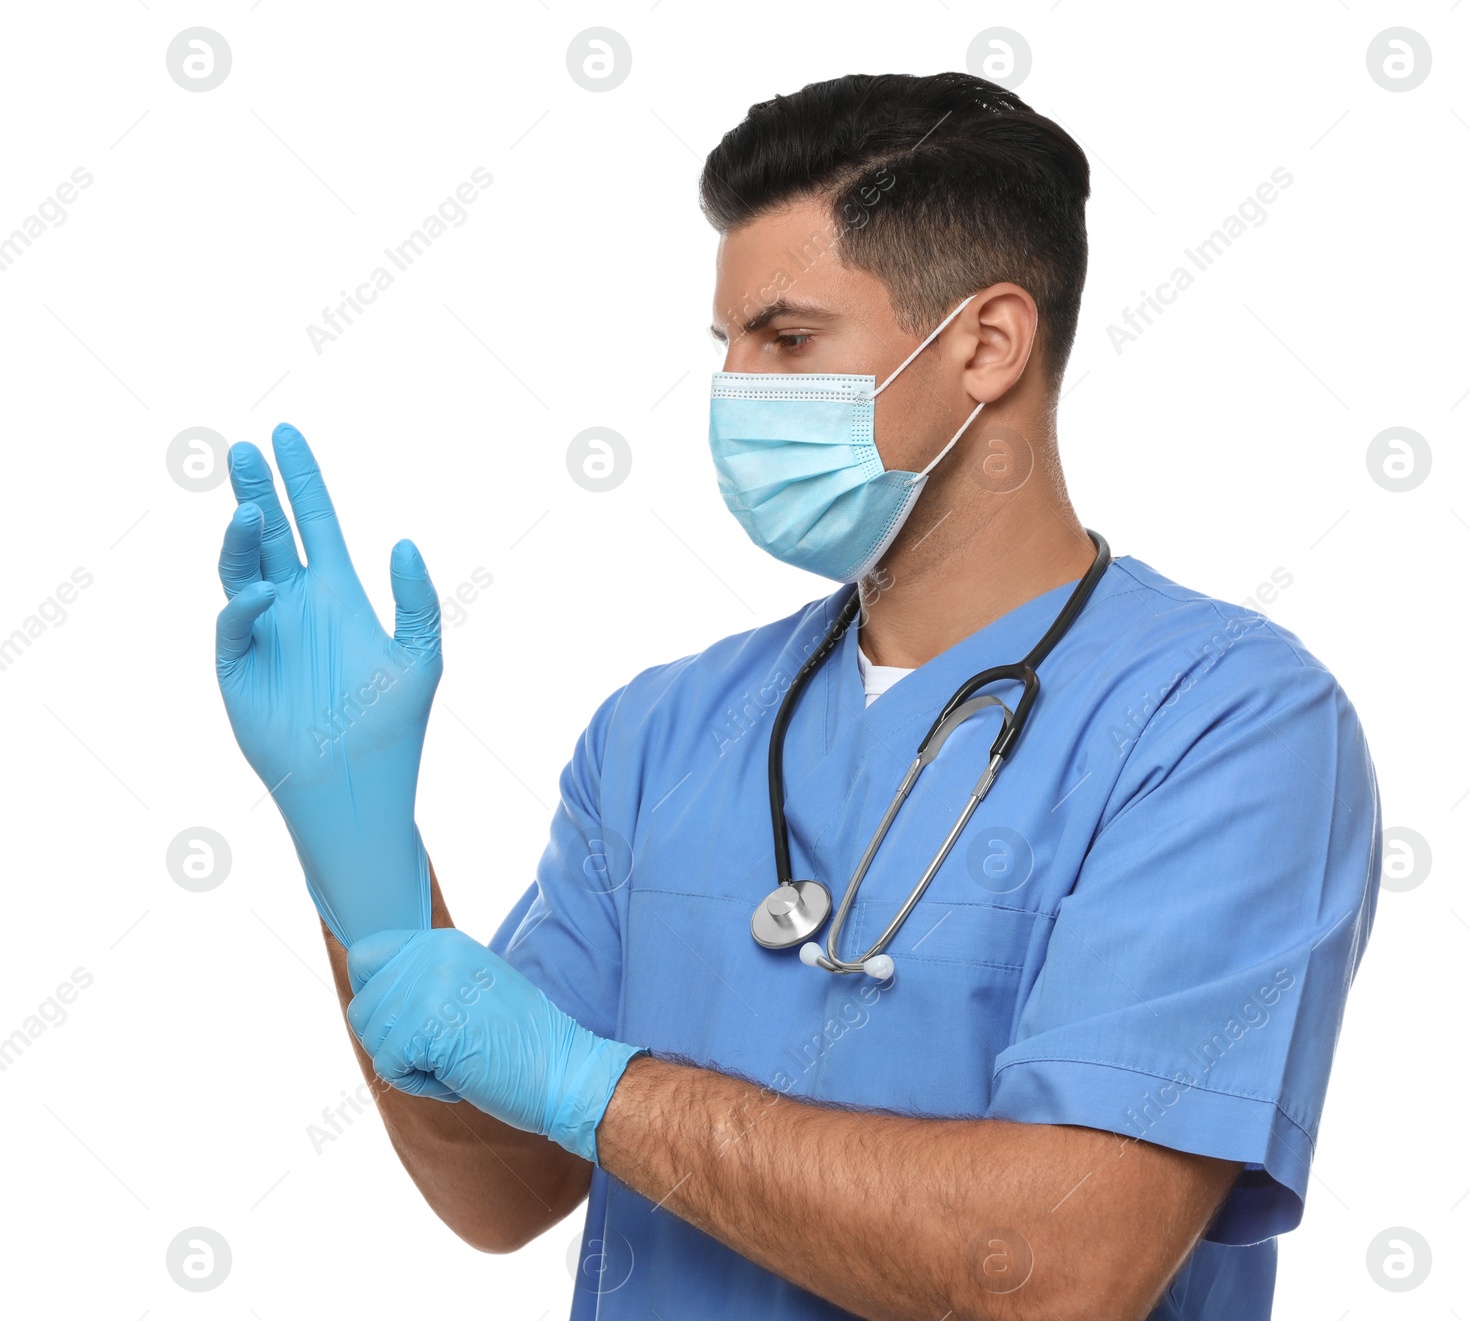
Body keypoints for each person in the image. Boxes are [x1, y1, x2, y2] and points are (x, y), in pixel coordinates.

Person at [213, 72, 1381, 1321]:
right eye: (725, 346)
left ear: (986, 345)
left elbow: (1053, 1273)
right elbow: (500, 1190)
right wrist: (363, 864)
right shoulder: (662, 731)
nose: (736, 394)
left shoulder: (1227, 725)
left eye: (786, 338)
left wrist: (600, 1088)